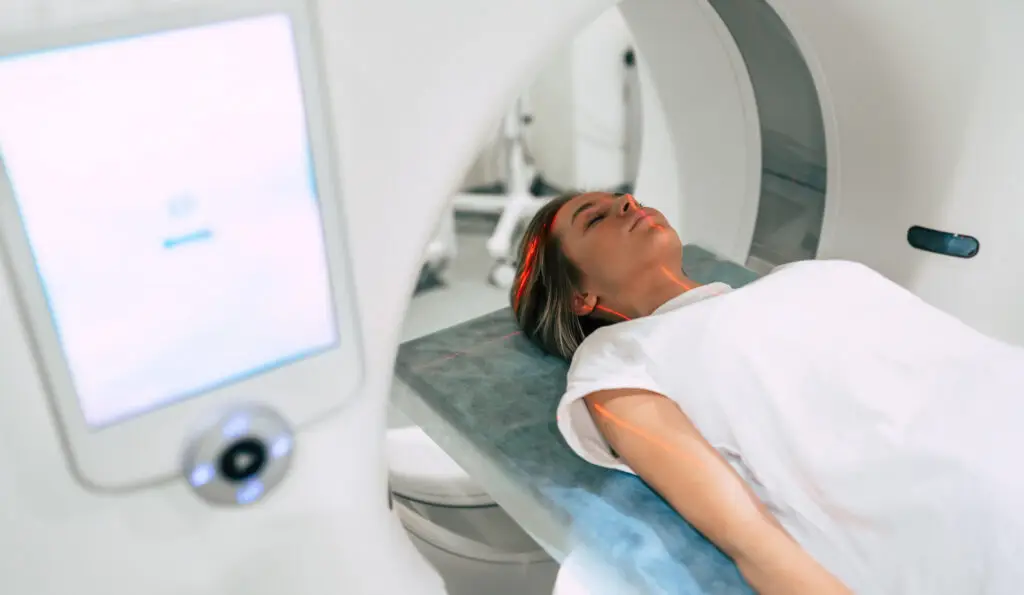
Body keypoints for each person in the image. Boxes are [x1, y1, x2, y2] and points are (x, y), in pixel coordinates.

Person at [509, 191, 1024, 595]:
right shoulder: (619, 357)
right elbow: (746, 535)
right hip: (971, 494)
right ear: (580, 297)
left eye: (627, 198)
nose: (627, 203)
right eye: (594, 219)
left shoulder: (810, 275)